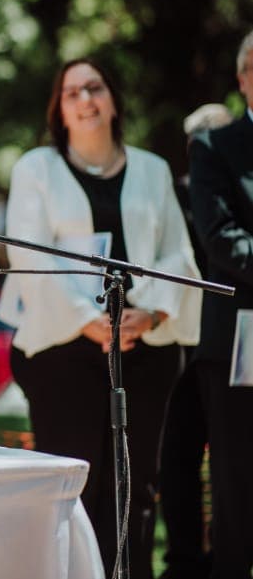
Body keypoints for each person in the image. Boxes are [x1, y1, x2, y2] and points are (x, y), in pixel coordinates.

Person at [0, 57, 200, 579]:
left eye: (95, 88)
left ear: (113, 100)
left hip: (145, 351)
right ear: (59, 111)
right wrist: (90, 321)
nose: (86, 100)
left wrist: (150, 314)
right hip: (65, 354)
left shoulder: (153, 170)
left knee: (137, 485)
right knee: (75, 489)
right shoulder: (36, 169)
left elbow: (177, 253)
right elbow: (30, 255)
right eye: (72, 93)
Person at [187, 31, 253, 579]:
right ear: (243, 78)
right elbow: (222, 239)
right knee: (236, 480)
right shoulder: (214, 147)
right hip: (240, 341)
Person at [159, 102, 232, 579]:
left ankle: (205, 555)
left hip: (221, 341)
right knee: (183, 453)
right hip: (193, 342)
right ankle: (189, 556)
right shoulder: (179, 199)